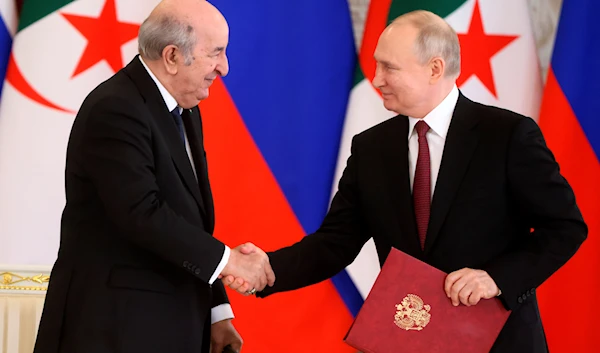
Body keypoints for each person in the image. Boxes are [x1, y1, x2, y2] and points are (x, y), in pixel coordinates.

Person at [223, 10, 587, 353]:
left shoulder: (507, 135)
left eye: (388, 67)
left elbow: (566, 227)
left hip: (497, 341)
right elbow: (335, 243)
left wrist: (496, 278)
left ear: (434, 69)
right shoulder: (371, 147)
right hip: (409, 340)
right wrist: (268, 269)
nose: (376, 78)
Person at [33, 1, 274, 353]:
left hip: (167, 323)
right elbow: (142, 213)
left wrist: (217, 311)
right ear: (173, 56)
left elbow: (188, 220)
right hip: (114, 328)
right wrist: (231, 262)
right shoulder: (116, 108)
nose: (223, 67)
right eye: (216, 53)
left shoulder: (185, 110)